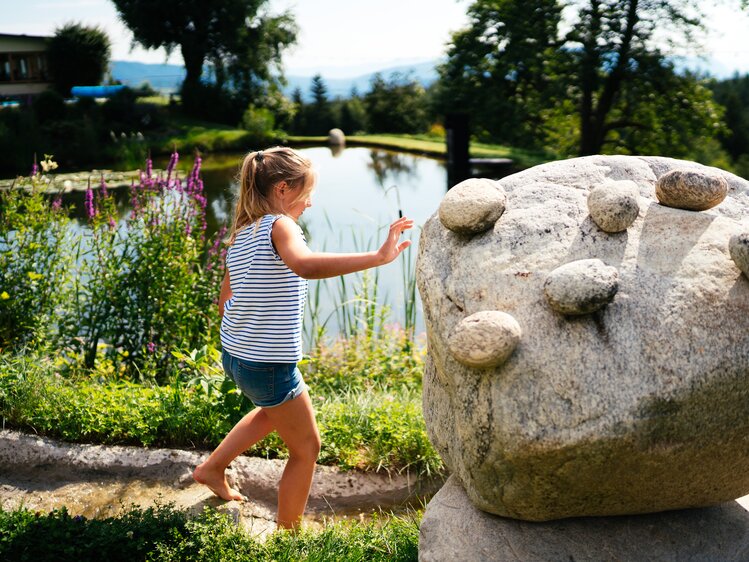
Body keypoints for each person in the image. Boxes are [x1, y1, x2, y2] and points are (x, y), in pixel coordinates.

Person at [193, 146, 413, 530]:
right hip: (268, 364)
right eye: (306, 192)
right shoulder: (280, 226)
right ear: (282, 189)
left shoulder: (243, 233)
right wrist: (378, 258)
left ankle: (212, 469)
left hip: (238, 356)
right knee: (307, 447)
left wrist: (251, 329)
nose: (310, 203)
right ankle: (288, 536)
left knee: (272, 410)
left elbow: (224, 300)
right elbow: (304, 265)